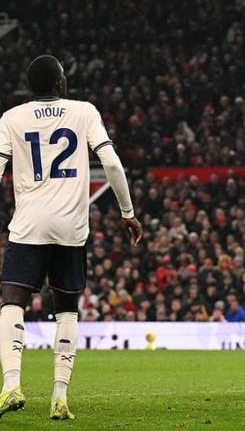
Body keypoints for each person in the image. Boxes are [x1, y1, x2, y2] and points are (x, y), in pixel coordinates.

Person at [0, 55, 142, 420]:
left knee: (12, 301)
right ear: (60, 82)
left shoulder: (11, 118)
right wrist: (127, 212)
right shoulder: (84, 111)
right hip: (71, 228)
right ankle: (59, 396)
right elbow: (111, 163)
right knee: (66, 310)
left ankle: (11, 384)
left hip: (29, 224)